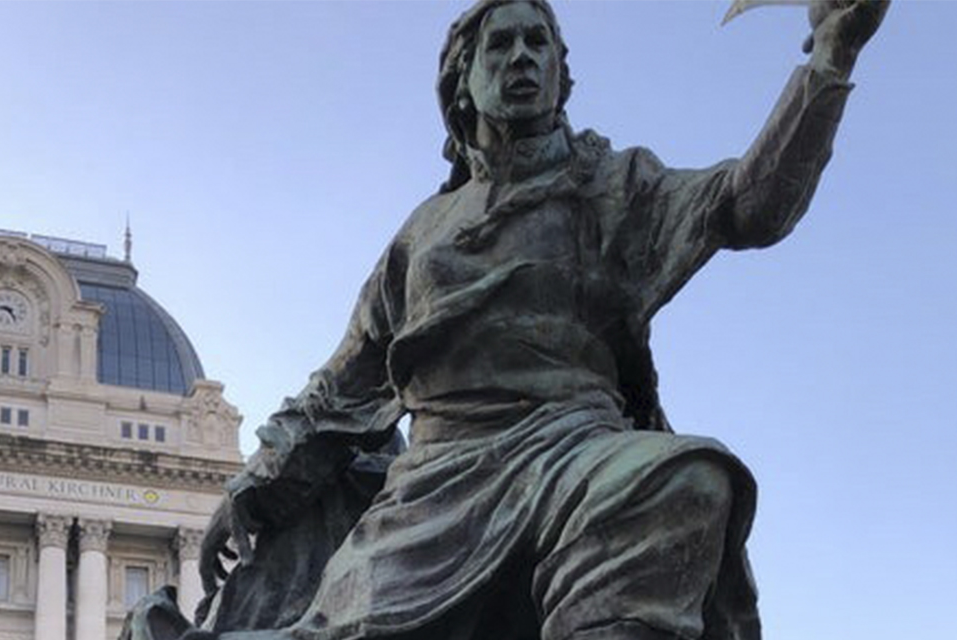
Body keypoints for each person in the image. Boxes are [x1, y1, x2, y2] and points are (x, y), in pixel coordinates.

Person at [123, 1, 890, 639]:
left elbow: (750, 205)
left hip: (574, 447)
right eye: (501, 44)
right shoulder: (422, 234)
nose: (522, 57)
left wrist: (829, 60)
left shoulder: (614, 183)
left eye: (538, 43)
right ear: (464, 82)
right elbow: (344, 383)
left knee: (680, 476)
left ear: (561, 73)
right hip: (437, 484)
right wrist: (255, 485)